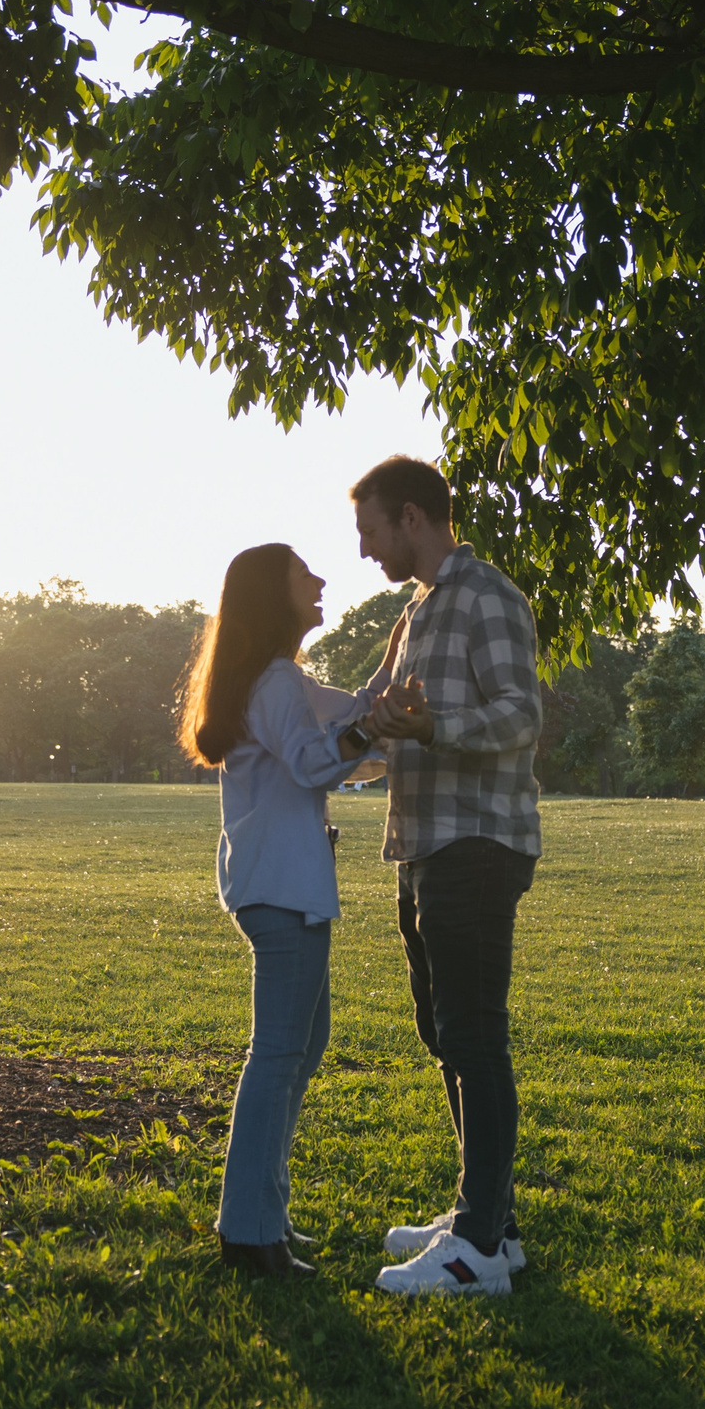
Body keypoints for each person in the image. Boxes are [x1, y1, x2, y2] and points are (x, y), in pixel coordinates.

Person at [345, 455, 544, 1298]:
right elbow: (377, 710)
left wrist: (431, 726)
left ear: (414, 517)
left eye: (371, 530)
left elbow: (521, 711)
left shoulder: (485, 595)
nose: (364, 551)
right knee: (443, 1034)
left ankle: (476, 1249)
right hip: (423, 844)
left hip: (475, 840)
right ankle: (490, 1216)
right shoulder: (415, 611)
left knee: (473, 1035)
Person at [180, 542, 378, 1279]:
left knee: (299, 1047)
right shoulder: (275, 682)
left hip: (280, 886)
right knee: (278, 1056)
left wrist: (386, 700)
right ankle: (249, 1233)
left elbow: (355, 718)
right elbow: (318, 758)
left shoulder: (279, 682)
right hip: (283, 891)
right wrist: (367, 732)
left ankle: (264, 1218)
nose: (321, 580)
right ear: (274, 596)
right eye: (304, 573)